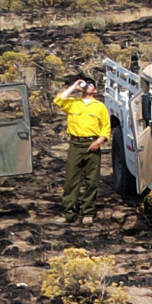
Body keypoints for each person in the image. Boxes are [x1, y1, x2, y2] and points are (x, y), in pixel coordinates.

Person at [55, 77, 112, 223]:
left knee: (91, 181)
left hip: (92, 145)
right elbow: (59, 100)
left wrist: (98, 142)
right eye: (86, 84)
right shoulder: (73, 104)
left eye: (91, 84)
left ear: (95, 90)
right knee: (71, 180)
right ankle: (68, 212)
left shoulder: (99, 107)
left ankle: (88, 212)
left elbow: (106, 128)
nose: (88, 86)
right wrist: (74, 86)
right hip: (75, 145)